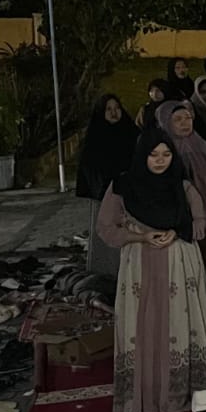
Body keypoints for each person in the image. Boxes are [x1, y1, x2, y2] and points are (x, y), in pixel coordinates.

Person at [95, 128, 206, 412]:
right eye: (154, 155)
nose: (161, 160)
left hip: (179, 262)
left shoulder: (183, 185)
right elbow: (105, 227)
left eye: (166, 154)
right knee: (144, 323)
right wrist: (140, 237)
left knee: (178, 321)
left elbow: (200, 222)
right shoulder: (123, 186)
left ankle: (178, 392)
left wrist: (177, 230)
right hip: (140, 263)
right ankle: (146, 394)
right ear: (142, 156)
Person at [157, 100, 206, 310]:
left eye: (188, 118)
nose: (185, 123)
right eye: (178, 119)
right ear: (166, 122)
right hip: (181, 219)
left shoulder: (201, 143)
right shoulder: (162, 152)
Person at [77, 94, 140, 277]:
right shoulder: (95, 136)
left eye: (117, 108)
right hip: (104, 195)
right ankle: (105, 273)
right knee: (105, 233)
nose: (114, 113)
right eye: (108, 109)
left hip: (130, 194)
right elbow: (90, 167)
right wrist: (105, 189)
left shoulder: (131, 132)